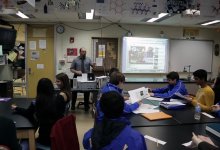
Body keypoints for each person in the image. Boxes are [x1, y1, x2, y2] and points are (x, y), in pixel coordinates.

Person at [11, 78, 67, 148]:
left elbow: (28, 113)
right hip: (59, 137)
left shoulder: (37, 102)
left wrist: (16, 108)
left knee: (25, 141)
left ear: (39, 89)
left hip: (44, 140)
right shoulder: (59, 99)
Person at [83, 91, 147, 150]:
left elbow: (86, 145)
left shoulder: (90, 134)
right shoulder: (135, 137)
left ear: (101, 109)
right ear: (123, 108)